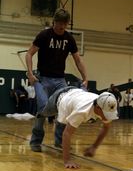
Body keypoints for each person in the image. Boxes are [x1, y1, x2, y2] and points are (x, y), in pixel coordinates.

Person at [25, 8, 88, 152]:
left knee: (63, 109)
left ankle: (59, 141)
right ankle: (35, 141)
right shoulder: (44, 35)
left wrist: (85, 78)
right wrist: (30, 73)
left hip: (60, 79)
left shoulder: (69, 39)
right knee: (42, 110)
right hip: (43, 78)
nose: (62, 27)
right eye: (59, 23)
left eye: (65, 24)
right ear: (54, 21)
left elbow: (78, 60)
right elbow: (29, 54)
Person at [35, 85, 118, 168]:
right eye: (106, 114)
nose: (108, 117)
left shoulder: (108, 105)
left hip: (76, 93)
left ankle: (81, 85)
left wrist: (94, 147)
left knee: (63, 124)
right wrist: (67, 161)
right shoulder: (82, 111)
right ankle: (36, 83)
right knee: (42, 112)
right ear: (98, 107)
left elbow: (106, 127)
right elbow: (67, 134)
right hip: (59, 97)